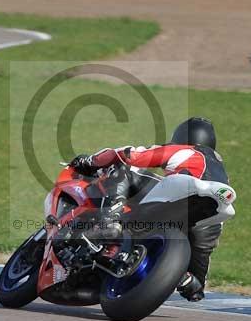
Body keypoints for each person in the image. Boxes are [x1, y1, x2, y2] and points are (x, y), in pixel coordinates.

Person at [69, 117, 234, 302]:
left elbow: (130, 155)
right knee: (199, 260)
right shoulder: (222, 172)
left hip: (183, 193)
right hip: (211, 212)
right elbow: (202, 251)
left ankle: (111, 220)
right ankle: (185, 278)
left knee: (124, 169)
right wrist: (195, 284)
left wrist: (91, 161)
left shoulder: (187, 151)